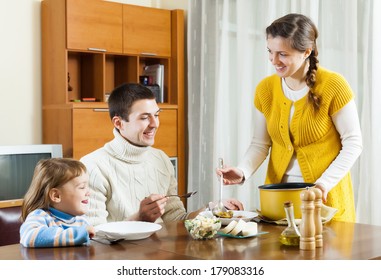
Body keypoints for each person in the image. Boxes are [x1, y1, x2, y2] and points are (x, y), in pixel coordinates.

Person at [216, 13, 362, 222]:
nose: (274, 60)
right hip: (278, 202)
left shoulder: (333, 85)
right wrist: (242, 171)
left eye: (282, 54)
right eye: (270, 51)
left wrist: (323, 185)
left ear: (306, 52)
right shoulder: (265, 89)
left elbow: (354, 143)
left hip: (324, 201)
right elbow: (260, 143)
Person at [81, 83, 243, 226]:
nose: (155, 124)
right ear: (119, 123)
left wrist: (212, 209)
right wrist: (139, 219)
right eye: (144, 117)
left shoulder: (161, 159)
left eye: (156, 115)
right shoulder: (92, 167)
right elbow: (94, 235)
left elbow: (176, 219)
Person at [20, 158, 95, 247]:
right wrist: (77, 234)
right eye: (82, 187)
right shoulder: (40, 216)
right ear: (56, 196)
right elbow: (30, 237)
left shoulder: (82, 220)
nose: (88, 192)